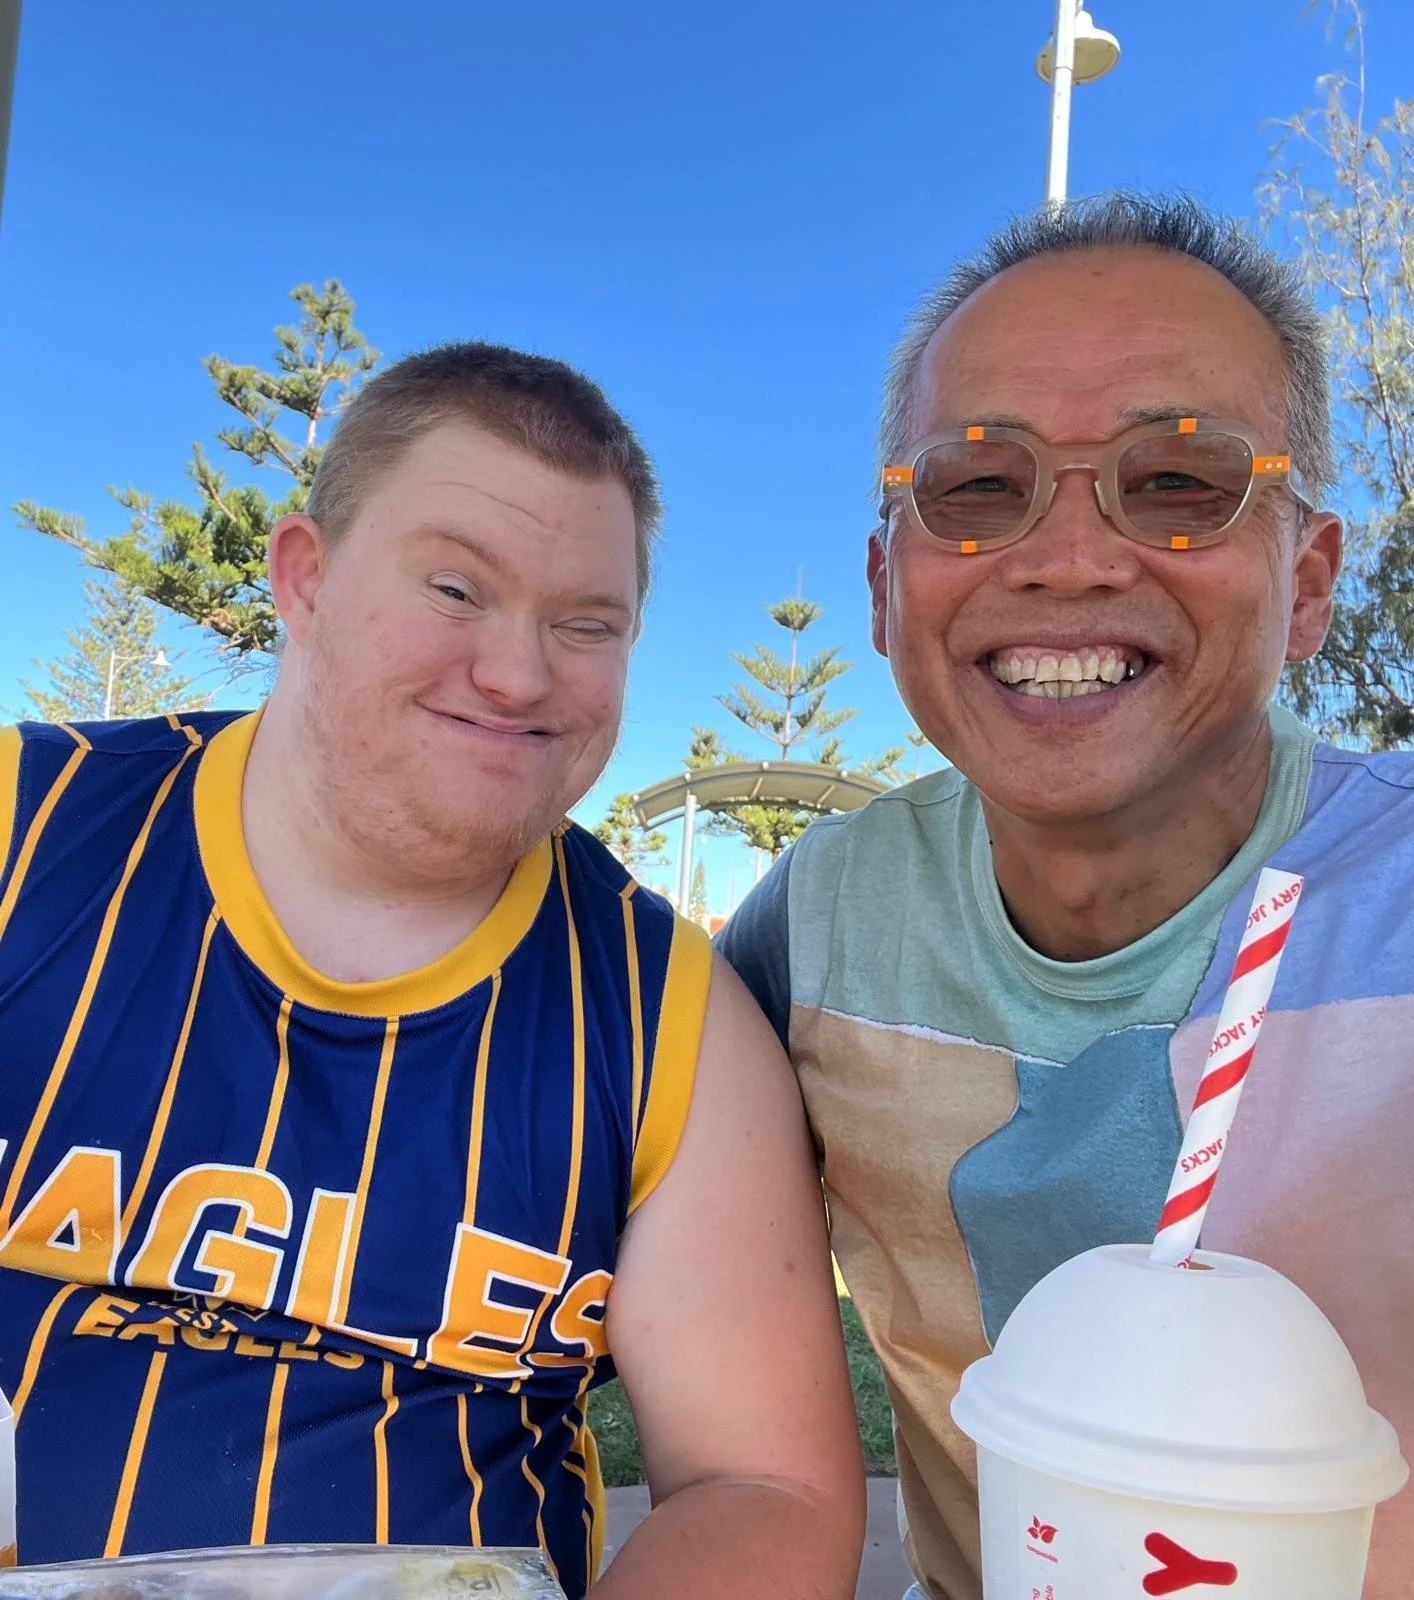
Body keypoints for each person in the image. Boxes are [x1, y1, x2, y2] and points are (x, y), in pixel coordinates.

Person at [717, 194, 1414, 1600]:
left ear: (1306, 582)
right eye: (976, 486)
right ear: (882, 586)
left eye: (1175, 481)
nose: (1064, 556)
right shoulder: (816, 924)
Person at [0, 343, 864, 1600]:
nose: (518, 672)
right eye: (456, 588)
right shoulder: (27, 833)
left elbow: (765, 1486)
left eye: (586, 624)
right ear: (304, 577)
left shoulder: (667, 1018)